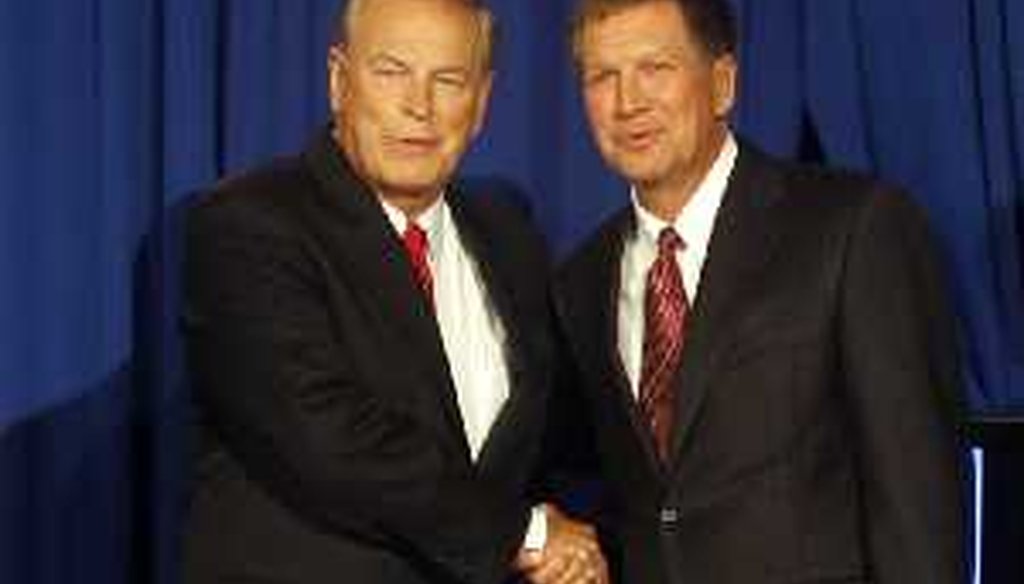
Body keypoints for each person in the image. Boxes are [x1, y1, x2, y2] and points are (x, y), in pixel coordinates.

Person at [181, 1, 607, 583]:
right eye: (391, 71)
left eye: (448, 80)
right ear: (339, 80)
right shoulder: (248, 226)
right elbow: (326, 438)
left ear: (481, 102)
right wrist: (527, 534)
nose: (419, 106)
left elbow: (547, 440)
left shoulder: (509, 235)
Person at [553, 0, 967, 582]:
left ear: (722, 83)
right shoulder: (580, 281)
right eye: (602, 77)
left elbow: (915, 496)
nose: (628, 102)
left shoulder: (853, 228)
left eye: (656, 68)